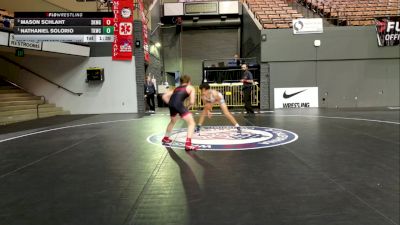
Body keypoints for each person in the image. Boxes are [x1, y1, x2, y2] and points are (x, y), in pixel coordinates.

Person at [161, 75, 199, 151]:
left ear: (181, 82)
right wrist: (186, 108)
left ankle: (166, 138)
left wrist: (171, 104)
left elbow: (164, 96)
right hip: (178, 105)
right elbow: (192, 102)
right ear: (189, 81)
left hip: (171, 105)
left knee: (172, 122)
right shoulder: (190, 87)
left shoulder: (176, 88)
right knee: (191, 123)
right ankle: (188, 144)